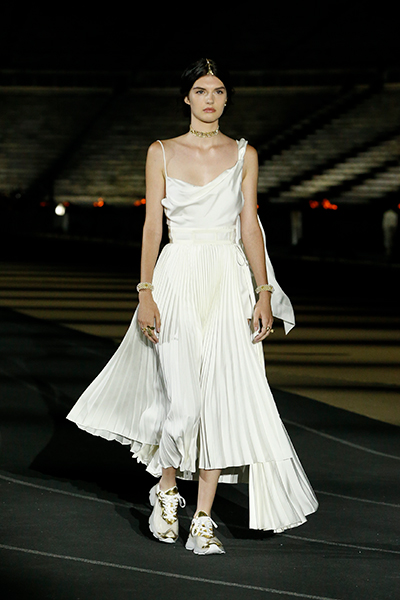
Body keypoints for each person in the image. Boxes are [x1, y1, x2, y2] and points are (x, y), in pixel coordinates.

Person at [67, 58, 318, 556]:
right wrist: (145, 292)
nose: (210, 99)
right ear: (187, 98)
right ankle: (167, 492)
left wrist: (264, 292)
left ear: (227, 99)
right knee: (180, 398)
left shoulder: (244, 154)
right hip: (177, 274)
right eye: (201, 90)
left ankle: (202, 517)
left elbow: (249, 226)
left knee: (221, 397)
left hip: (229, 279)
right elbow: (151, 227)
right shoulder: (160, 151)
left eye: (218, 91)